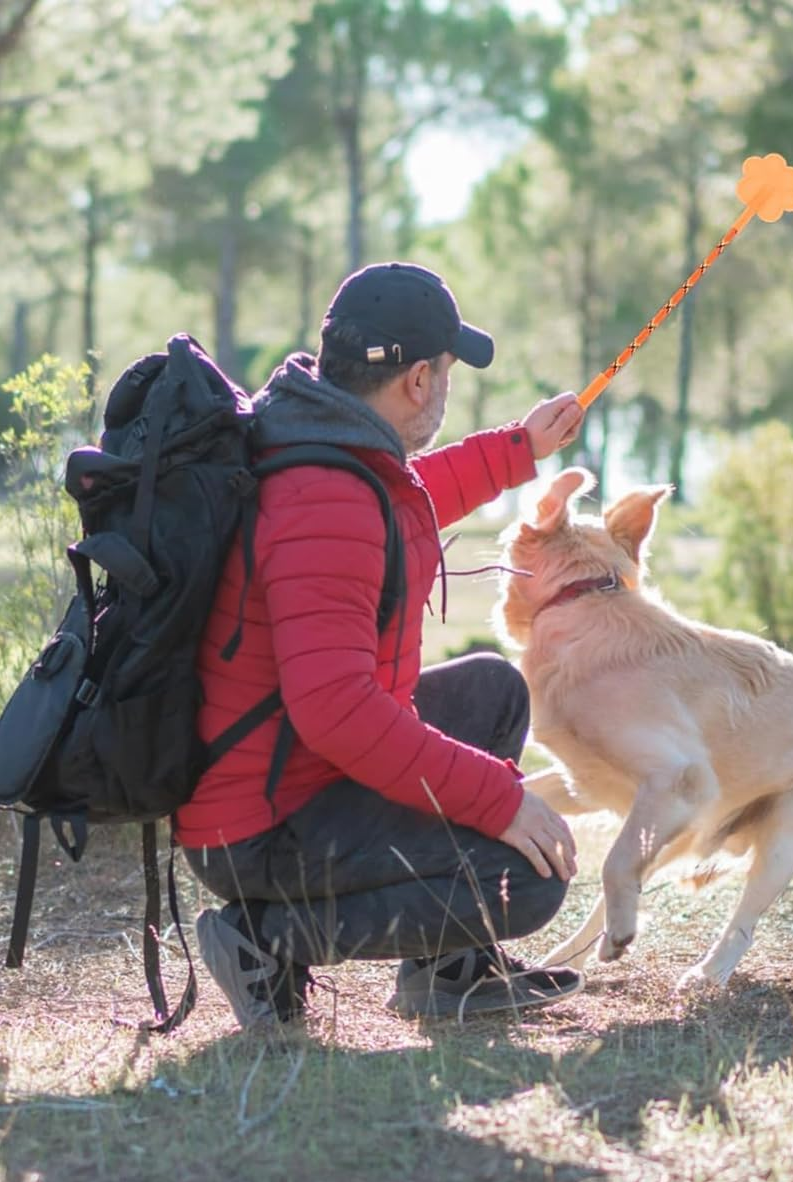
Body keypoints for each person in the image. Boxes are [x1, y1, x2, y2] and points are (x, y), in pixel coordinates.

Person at [176, 261, 587, 1026]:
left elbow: (407, 501)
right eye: (449, 371)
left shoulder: (320, 444)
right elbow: (337, 711)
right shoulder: (325, 495)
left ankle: (450, 974)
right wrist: (496, 800)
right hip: (261, 826)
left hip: (289, 774)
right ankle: (263, 938)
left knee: (492, 690)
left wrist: (517, 450)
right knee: (522, 880)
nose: (447, 387)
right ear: (421, 382)